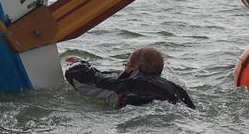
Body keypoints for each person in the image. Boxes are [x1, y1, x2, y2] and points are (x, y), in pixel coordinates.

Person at [64, 47, 195, 109]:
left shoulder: (130, 83)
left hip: (133, 112)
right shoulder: (175, 88)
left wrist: (78, 64)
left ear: (134, 69)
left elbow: (85, 80)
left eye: (126, 65)